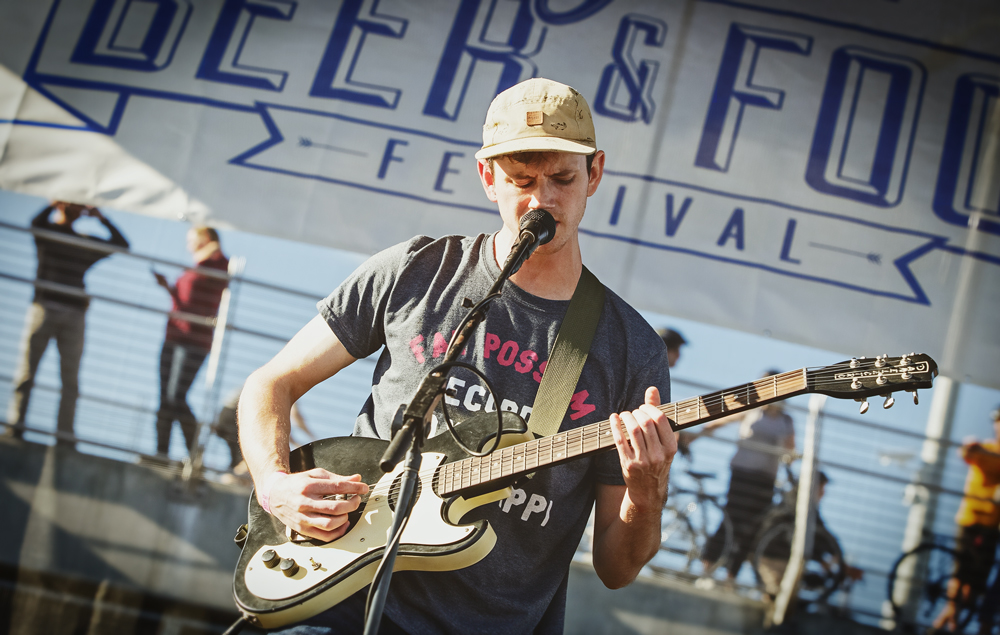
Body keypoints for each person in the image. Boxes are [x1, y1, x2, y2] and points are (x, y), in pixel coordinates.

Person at [237, 77, 677, 634]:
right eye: (522, 180)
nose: (542, 199)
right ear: (487, 177)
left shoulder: (631, 349)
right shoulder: (415, 271)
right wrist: (275, 486)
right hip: (336, 597)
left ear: (594, 174)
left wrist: (648, 491)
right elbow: (270, 385)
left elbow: (617, 568)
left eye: (563, 179)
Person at [6, 201, 129, 446]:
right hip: (43, 308)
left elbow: (121, 245)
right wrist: (53, 204)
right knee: (27, 372)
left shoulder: (83, 241)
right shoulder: (48, 233)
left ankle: (65, 435)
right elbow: (35, 224)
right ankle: (15, 426)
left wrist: (101, 218)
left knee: (70, 379)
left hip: (74, 315)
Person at [697, 370, 796, 582]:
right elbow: (718, 421)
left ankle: (730, 577)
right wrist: (694, 436)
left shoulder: (786, 420)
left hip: (766, 479)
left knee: (752, 528)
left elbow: (791, 450)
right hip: (742, 474)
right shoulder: (751, 409)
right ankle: (706, 568)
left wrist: (789, 455)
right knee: (731, 519)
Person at [153, 226, 229, 459]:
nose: (188, 245)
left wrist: (209, 247)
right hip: (173, 336)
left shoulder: (216, 263)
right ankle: (161, 454)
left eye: (192, 240)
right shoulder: (197, 267)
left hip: (195, 340)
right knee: (165, 398)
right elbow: (187, 299)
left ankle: (195, 454)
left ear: (206, 239)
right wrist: (169, 288)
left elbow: (222, 276)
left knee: (176, 396)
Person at [932, 407, 1000, 632]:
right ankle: (949, 622)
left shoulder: (988, 450)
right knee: (960, 574)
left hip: (991, 525)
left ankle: (945, 624)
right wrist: (969, 445)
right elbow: (967, 454)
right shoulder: (985, 449)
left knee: (975, 582)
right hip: (970, 520)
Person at [754, 471, 864, 604]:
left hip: (785, 557)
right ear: (812, 486)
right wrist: (823, 560)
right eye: (822, 488)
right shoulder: (795, 503)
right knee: (775, 599)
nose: (823, 493)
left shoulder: (806, 506)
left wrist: (838, 561)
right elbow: (798, 536)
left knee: (786, 600)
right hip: (774, 558)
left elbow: (823, 535)